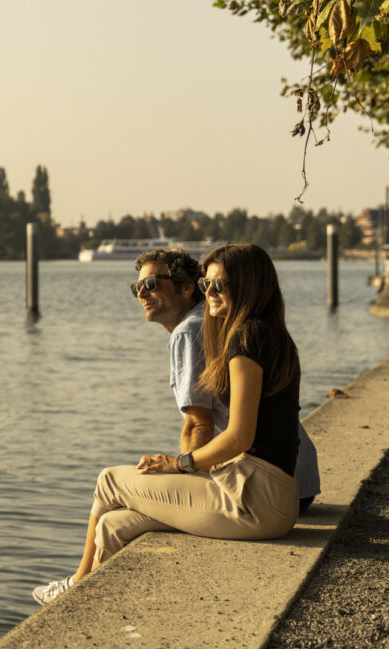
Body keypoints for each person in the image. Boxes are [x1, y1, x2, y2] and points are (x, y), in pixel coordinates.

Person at [32, 243, 305, 606]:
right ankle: (92, 609)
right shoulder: (270, 333)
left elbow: (239, 436)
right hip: (273, 495)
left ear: (248, 286)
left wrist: (180, 464)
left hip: (253, 498)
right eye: (206, 285)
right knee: (113, 526)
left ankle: (76, 584)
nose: (209, 294)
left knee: (109, 480)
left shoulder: (245, 338)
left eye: (218, 286)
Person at [132, 247, 319, 520]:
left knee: (116, 491)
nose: (141, 293)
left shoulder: (192, 330)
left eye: (150, 284)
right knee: (119, 521)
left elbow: (199, 424)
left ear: (185, 289)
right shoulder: (242, 324)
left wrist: (181, 469)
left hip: (262, 484)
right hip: (297, 480)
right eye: (137, 286)